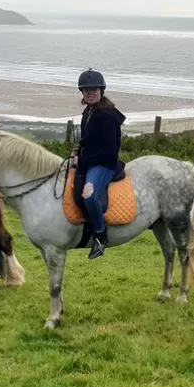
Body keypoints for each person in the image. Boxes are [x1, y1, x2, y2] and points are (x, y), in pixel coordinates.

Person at [70, 69, 126, 259]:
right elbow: (87, 140)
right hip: (89, 162)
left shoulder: (107, 116)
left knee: (89, 196)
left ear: (101, 90)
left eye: (93, 89)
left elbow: (108, 152)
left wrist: (83, 160)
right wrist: (77, 151)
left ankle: (101, 235)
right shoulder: (89, 111)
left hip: (104, 165)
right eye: (86, 90)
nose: (90, 93)